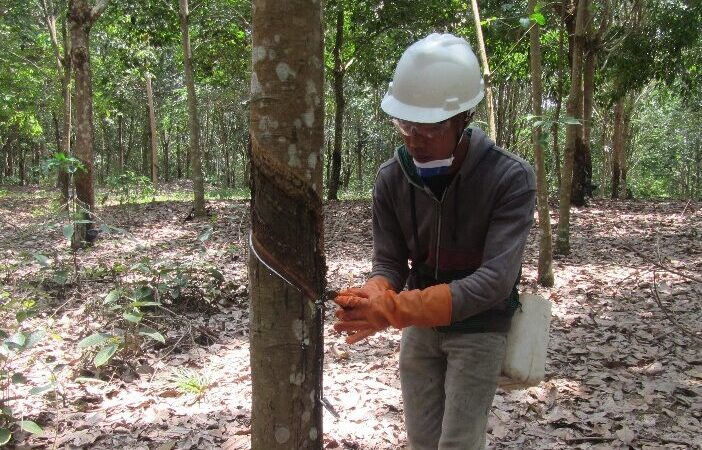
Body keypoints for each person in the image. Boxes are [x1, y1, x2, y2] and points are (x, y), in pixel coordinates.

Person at [333, 33, 536, 450]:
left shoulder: (509, 178)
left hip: (480, 325)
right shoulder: (392, 178)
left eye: (429, 127)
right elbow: (390, 261)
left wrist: (394, 309)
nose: (413, 137)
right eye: (405, 124)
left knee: (459, 443)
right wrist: (376, 292)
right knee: (422, 440)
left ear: (463, 120)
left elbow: (495, 280)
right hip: (421, 326)